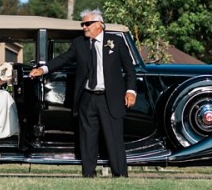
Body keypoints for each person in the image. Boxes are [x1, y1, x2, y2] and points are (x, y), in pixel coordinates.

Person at [29, 9, 136, 177]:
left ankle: (120, 175)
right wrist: (43, 69)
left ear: (99, 25)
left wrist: (131, 91)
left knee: (114, 138)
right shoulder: (79, 43)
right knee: (87, 139)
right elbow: (63, 59)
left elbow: (130, 70)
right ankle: (88, 175)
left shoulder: (115, 42)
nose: (84, 27)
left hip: (110, 98)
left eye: (87, 23)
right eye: (82, 24)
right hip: (87, 97)